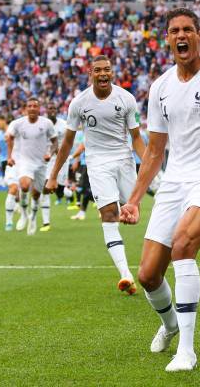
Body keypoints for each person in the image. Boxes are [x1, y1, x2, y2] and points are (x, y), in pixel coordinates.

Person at [119, 8, 200, 372]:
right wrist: (133, 199)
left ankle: (187, 351)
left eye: (188, 30)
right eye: (175, 30)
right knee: (147, 275)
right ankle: (170, 325)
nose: (182, 35)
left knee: (182, 245)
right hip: (174, 182)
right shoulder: (160, 88)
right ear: (167, 38)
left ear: (198, 36)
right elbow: (155, 152)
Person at [46, 55, 147, 295]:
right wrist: (53, 176)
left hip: (124, 161)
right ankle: (126, 274)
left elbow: (136, 138)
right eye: (98, 70)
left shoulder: (126, 99)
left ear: (112, 73)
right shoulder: (79, 103)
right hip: (97, 163)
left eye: (107, 70)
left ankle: (152, 261)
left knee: (134, 214)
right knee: (109, 215)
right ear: (90, 73)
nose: (103, 74)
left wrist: (149, 164)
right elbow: (67, 142)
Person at [6, 97, 58, 235]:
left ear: (39, 108)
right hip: (24, 162)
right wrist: (10, 156)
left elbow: (55, 142)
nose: (32, 108)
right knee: (23, 186)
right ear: (26, 108)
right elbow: (9, 137)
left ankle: (33, 218)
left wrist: (50, 153)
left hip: (41, 163)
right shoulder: (18, 124)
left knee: (36, 195)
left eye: (35, 106)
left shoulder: (46, 123)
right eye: (30, 106)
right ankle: (23, 214)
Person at [40, 102, 69, 232]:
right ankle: (46, 222)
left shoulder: (63, 124)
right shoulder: (42, 125)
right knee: (45, 188)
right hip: (48, 160)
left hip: (62, 161)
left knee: (60, 190)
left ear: (56, 111)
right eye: (49, 108)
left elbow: (69, 141)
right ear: (46, 111)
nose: (51, 110)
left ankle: (70, 195)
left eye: (53, 108)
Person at [0, 115, 21, 231]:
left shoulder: (13, 130)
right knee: (11, 187)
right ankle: (14, 208)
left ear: (4, 121)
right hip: (5, 162)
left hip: (17, 162)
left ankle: (17, 206)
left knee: (17, 187)